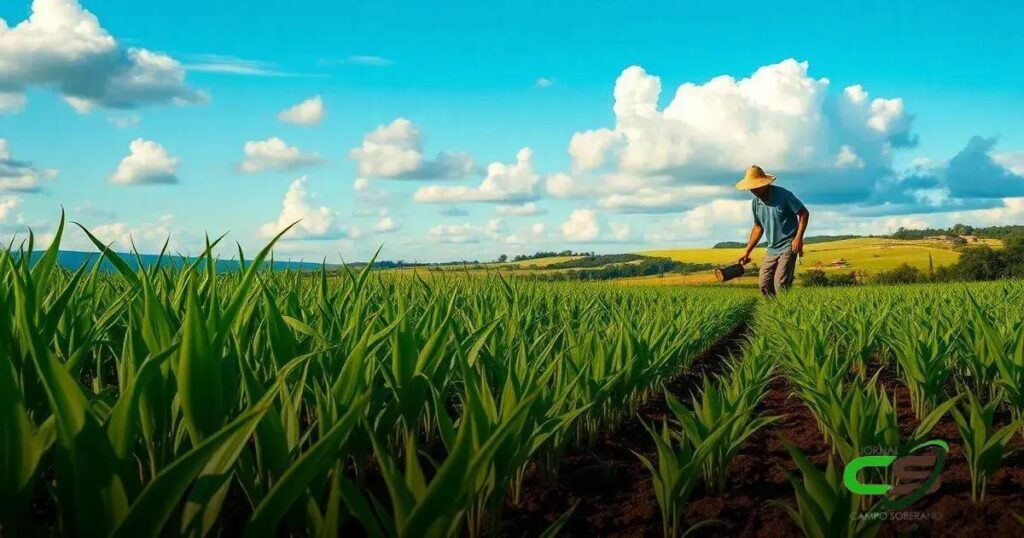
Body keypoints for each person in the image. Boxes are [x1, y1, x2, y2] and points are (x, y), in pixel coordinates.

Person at [735, 165, 809, 296]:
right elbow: (758, 227)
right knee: (764, 285)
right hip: (771, 249)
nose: (753, 190)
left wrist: (798, 238)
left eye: (756, 186)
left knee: (780, 284)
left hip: (788, 245)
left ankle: (785, 313)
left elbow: (803, 213)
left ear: (764, 184)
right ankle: (772, 312)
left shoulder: (784, 195)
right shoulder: (755, 203)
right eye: (751, 188)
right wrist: (747, 252)